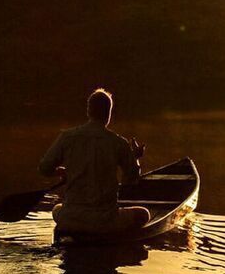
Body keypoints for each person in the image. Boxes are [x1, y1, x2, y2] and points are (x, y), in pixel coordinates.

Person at [39, 89, 151, 233]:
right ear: (108, 114)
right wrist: (135, 158)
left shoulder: (66, 137)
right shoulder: (118, 143)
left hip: (71, 218)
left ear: (88, 111)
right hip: (105, 221)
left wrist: (59, 171)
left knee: (56, 209)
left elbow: (44, 169)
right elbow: (131, 181)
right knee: (144, 214)